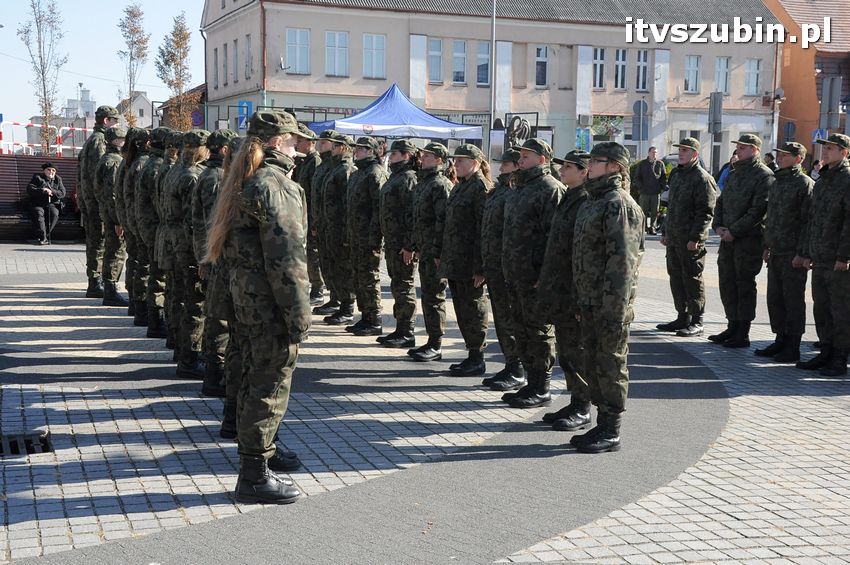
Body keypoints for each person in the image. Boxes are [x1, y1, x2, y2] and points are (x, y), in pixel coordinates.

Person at [204, 111, 308, 505]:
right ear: (278, 142)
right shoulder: (276, 185)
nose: (297, 150)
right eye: (293, 142)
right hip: (269, 305)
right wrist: (299, 315)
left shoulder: (244, 179)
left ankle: (261, 454)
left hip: (245, 301)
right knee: (269, 384)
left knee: (252, 378)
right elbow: (287, 260)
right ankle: (253, 475)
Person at [569, 142, 644, 454]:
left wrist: (613, 308)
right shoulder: (594, 201)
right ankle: (601, 424)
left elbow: (623, 264)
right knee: (593, 360)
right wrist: (581, 299)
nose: (590, 166)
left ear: (614, 166)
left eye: (596, 161)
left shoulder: (618, 204)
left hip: (609, 304)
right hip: (590, 300)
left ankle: (611, 429)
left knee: (610, 363)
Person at [500, 138, 564, 409]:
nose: (521, 159)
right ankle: (530, 381)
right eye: (521, 155)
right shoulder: (520, 187)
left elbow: (554, 238)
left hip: (535, 276)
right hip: (516, 273)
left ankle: (542, 385)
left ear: (542, 159)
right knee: (521, 328)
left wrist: (544, 275)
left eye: (527, 156)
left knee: (538, 330)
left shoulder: (550, 188)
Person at [537, 150, 591, 431]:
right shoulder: (569, 197)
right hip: (559, 286)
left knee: (577, 349)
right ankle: (574, 401)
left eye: (569, 166)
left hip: (573, 288)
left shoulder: (586, 200)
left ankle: (583, 407)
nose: (562, 170)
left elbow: (581, 252)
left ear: (584, 171)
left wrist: (579, 294)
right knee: (567, 349)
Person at [710, 134, 773, 348]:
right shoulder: (734, 172)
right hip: (727, 239)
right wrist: (718, 226)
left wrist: (734, 231)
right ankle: (732, 325)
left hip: (747, 241)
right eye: (738, 146)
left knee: (743, 284)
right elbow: (721, 202)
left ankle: (743, 332)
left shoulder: (764, 175)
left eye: (743, 147)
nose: (738, 150)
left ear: (754, 150)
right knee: (727, 282)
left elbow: (758, 210)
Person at [797, 134, 850, 376]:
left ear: (844, 152)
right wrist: (807, 251)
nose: (825, 152)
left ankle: (839, 357)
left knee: (840, 310)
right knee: (822, 307)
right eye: (825, 148)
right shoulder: (823, 180)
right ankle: (825, 350)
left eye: (831, 148)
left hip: (837, 258)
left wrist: (844, 256)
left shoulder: (846, 180)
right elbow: (812, 220)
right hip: (820, 256)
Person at [756, 142, 813, 363]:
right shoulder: (778, 182)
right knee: (775, 298)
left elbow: (808, 222)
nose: (780, 158)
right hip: (776, 250)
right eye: (779, 154)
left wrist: (803, 252)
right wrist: (767, 245)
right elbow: (771, 218)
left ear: (798, 159)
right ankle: (780, 339)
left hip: (793, 252)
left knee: (793, 300)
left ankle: (793, 345)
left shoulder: (804, 184)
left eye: (785, 155)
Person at [193, 128, 240, 397]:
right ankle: (215, 374)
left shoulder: (209, 175)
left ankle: (214, 372)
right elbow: (211, 224)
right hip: (217, 258)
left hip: (212, 255)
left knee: (216, 316)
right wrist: (206, 258)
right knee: (219, 318)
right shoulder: (217, 178)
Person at [656, 138, 717, 337]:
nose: (681, 153)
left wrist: (696, 238)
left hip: (691, 240)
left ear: (695, 154)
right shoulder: (676, 174)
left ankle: (697, 320)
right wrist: (665, 232)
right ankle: (682, 317)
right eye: (680, 149)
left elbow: (705, 212)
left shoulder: (702, 178)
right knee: (676, 277)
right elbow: (671, 207)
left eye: (685, 150)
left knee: (692, 278)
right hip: (674, 238)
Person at [163, 130, 211, 378]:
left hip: (173, 240)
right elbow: (194, 218)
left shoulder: (175, 170)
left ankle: (179, 347)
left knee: (178, 294)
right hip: (187, 244)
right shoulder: (193, 176)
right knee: (195, 302)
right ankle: (190, 358)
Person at [441, 144, 491, 376]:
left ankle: (477, 357)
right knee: (462, 308)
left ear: (476, 163)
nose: (456, 164)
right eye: (456, 160)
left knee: (474, 308)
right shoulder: (461, 186)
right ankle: (471, 354)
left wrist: (480, 267)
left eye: (461, 160)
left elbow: (483, 229)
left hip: (470, 262)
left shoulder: (480, 187)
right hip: (457, 260)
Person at [480, 149, 525, 390]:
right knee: (501, 319)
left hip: (506, 266)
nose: (501, 168)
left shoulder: (514, 191)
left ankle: (517, 368)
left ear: (517, 166)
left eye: (506, 164)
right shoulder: (500, 190)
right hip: (495, 265)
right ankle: (510, 364)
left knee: (510, 320)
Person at [406, 143, 453, 362]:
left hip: (435, 252)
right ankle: (431, 340)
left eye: (428, 156)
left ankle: (436, 343)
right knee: (427, 296)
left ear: (439, 160)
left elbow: (443, 222)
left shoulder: (440, 185)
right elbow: (419, 220)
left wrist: (438, 252)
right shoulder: (424, 183)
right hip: (425, 250)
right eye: (423, 155)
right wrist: (415, 246)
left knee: (435, 297)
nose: (422, 158)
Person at [377, 139, 419, 348]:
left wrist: (410, 245)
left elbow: (412, 215)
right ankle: (400, 329)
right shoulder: (397, 176)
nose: (390, 157)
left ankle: (407, 332)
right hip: (393, 242)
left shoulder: (409, 178)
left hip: (403, 245)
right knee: (397, 286)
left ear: (406, 155)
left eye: (394, 154)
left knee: (404, 287)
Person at [346, 136, 388, 336]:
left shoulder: (375, 172)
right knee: (359, 276)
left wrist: (375, 237)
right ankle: (365, 316)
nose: (357, 152)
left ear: (371, 151)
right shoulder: (357, 173)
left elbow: (379, 208)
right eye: (356, 148)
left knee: (369, 277)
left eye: (361, 149)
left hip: (368, 237)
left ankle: (375, 319)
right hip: (356, 234)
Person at [77, 105, 120, 298]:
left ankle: (95, 281)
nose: (117, 124)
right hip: (96, 202)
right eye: (115, 120)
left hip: (89, 199)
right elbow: (101, 175)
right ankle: (95, 282)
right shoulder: (100, 141)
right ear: (106, 120)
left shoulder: (91, 139)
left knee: (96, 241)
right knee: (99, 242)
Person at [135, 127, 173, 339]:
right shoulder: (157, 167)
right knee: (158, 278)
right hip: (155, 227)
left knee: (154, 274)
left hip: (148, 226)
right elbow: (161, 205)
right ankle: (155, 322)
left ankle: (151, 319)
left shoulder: (151, 164)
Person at [320, 133, 357, 325]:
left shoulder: (346, 169)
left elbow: (346, 204)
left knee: (344, 269)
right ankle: (341, 303)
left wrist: (345, 232)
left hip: (341, 230)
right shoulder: (336, 168)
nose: (332, 150)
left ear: (343, 148)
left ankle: (347, 308)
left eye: (335, 146)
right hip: (331, 227)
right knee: (335, 267)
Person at [93, 126, 130, 307]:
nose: (125, 143)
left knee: (112, 251)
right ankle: (111, 291)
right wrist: (117, 220)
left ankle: (110, 289)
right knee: (116, 252)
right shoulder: (114, 161)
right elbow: (113, 193)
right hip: (113, 216)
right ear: (116, 141)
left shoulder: (106, 159)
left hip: (107, 213)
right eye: (122, 139)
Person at [122, 128, 152, 325]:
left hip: (133, 220)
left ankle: (136, 304)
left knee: (136, 261)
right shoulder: (141, 164)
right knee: (143, 265)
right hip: (141, 222)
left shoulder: (131, 162)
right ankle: (140, 307)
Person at [293, 124, 325, 305]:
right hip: (302, 213)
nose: (297, 143)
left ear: (311, 143)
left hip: (311, 214)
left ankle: (318, 288)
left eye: (301, 140)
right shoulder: (303, 161)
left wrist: (313, 220)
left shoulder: (315, 161)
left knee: (313, 254)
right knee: (306, 253)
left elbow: (314, 193)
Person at [311, 130, 341, 315]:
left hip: (333, 226)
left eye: (324, 142)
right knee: (326, 264)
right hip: (322, 223)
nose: (319, 145)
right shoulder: (324, 164)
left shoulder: (335, 166)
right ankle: (334, 298)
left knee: (336, 265)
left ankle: (339, 301)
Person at [27, 163, 66, 245]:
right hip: (38, 203)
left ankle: (45, 235)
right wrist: (42, 190)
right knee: (39, 214)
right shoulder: (37, 177)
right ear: (44, 171)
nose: (51, 172)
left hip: (51, 203)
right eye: (49, 169)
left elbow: (62, 193)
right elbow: (30, 189)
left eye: (53, 170)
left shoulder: (58, 179)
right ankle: (43, 238)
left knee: (54, 214)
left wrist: (52, 191)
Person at [632, 146, 667, 234]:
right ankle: (643, 228)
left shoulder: (660, 164)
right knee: (643, 211)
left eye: (655, 152)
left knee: (655, 212)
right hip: (644, 192)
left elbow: (663, 177)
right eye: (653, 152)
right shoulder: (642, 164)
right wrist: (640, 187)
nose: (654, 154)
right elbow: (637, 177)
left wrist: (661, 187)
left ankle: (652, 228)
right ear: (649, 153)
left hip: (655, 192)